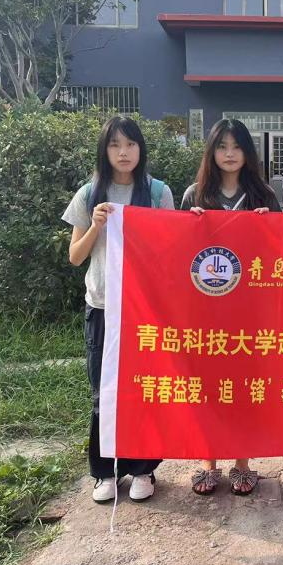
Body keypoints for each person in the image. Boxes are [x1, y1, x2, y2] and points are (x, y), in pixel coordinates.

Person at [63, 115, 175, 503]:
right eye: (115, 145)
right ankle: (104, 472)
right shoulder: (89, 194)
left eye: (130, 144)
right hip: (103, 306)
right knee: (104, 392)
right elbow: (75, 256)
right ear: (104, 151)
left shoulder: (158, 193)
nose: (123, 152)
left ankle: (144, 470)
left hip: (145, 309)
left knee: (144, 389)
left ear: (140, 149)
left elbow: (171, 249)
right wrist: (96, 225)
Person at [180, 118, 281, 496]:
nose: (229, 154)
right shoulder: (195, 194)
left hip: (249, 309)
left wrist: (271, 228)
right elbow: (177, 249)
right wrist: (189, 227)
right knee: (207, 386)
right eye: (222, 146)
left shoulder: (263, 195)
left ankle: (242, 462)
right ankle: (208, 462)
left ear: (247, 152)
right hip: (205, 308)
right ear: (212, 152)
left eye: (237, 146)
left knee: (244, 386)